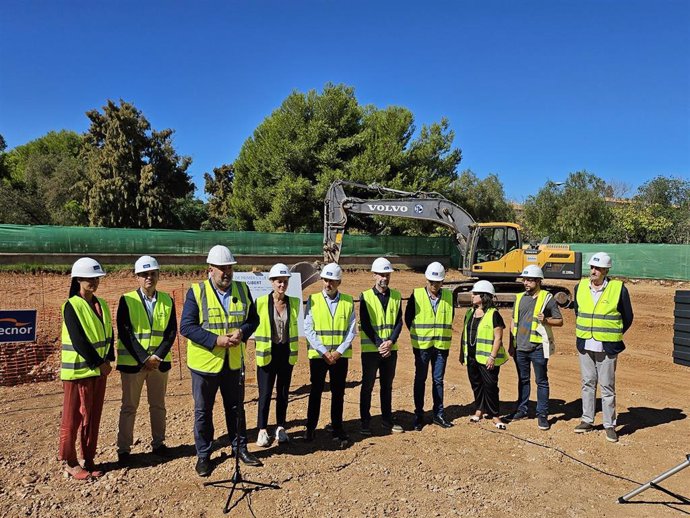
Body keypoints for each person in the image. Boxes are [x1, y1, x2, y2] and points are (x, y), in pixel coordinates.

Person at [180, 245, 261, 477]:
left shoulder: (243, 289)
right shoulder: (196, 292)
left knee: (236, 409)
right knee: (203, 411)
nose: (227, 272)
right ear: (210, 269)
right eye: (222, 268)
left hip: (233, 363)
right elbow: (186, 326)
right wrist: (216, 340)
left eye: (230, 268)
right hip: (204, 365)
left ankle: (240, 448)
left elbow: (253, 320)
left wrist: (242, 333)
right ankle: (204, 455)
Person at [116, 256, 177, 465]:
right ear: (137, 277)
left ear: (158, 275)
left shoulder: (167, 300)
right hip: (134, 364)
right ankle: (124, 450)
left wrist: (157, 356)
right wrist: (144, 358)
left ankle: (159, 444)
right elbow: (125, 333)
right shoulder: (127, 300)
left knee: (158, 405)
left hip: (159, 364)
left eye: (152, 273)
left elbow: (171, 332)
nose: (148, 277)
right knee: (129, 406)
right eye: (144, 274)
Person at [58, 257, 114, 480]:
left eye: (96, 278)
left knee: (92, 418)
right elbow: (79, 340)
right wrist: (99, 363)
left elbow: (109, 333)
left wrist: (109, 359)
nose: (94, 282)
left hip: (98, 372)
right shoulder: (71, 306)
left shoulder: (101, 305)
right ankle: (70, 462)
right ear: (78, 279)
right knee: (72, 420)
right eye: (89, 278)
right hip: (77, 373)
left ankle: (89, 459)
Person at [573, 252, 633, 443]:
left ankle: (609, 425)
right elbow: (578, 312)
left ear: (606, 270)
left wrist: (612, 334)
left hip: (607, 345)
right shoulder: (580, 287)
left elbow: (627, 317)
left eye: (597, 268)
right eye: (592, 267)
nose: (593, 271)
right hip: (585, 343)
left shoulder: (618, 289)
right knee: (587, 383)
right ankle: (587, 420)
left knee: (607, 387)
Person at [304, 262, 356, 446]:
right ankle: (310, 428)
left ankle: (337, 427)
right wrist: (325, 352)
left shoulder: (348, 301)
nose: (328, 284)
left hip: (339, 358)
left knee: (338, 393)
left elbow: (352, 330)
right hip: (319, 356)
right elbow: (308, 328)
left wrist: (339, 352)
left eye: (332, 280)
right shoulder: (313, 300)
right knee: (316, 392)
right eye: (325, 280)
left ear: (339, 282)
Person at [507, 265, 563, 431]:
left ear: (539, 281)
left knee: (541, 382)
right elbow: (513, 322)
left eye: (530, 280)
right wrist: (511, 344)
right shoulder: (519, 298)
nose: (526, 283)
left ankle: (542, 415)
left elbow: (559, 321)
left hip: (538, 348)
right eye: (524, 279)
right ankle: (522, 410)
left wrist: (546, 320)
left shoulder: (547, 299)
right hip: (520, 348)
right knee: (523, 380)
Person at [405, 262, 455, 431]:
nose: (435, 285)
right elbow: (408, 318)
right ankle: (419, 415)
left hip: (441, 345)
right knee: (420, 379)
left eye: (438, 282)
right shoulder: (417, 295)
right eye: (432, 282)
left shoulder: (448, 296)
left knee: (438, 380)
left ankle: (438, 414)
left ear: (443, 282)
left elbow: (451, 317)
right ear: (426, 280)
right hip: (422, 346)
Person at [254, 263, 300, 448]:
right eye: (279, 281)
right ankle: (262, 429)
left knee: (283, 393)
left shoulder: (294, 303)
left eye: (285, 281)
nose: (282, 285)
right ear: (272, 282)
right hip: (267, 352)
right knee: (265, 393)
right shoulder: (260, 303)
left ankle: (281, 427)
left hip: (286, 353)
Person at [359, 257, 404, 435]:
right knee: (367, 386)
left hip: (390, 350)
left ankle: (386, 420)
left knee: (387, 386)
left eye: (387, 275)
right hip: (372, 350)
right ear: (373, 275)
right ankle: (365, 422)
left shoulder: (396, 296)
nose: (384, 278)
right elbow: (366, 323)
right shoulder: (366, 297)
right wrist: (380, 344)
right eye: (380, 274)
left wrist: (390, 342)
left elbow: (399, 322)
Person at [459, 280, 508, 429]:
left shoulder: (494, 314)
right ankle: (479, 409)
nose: (472, 295)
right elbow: (465, 335)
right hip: (472, 357)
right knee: (476, 385)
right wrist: (463, 354)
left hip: (488, 359)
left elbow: (498, 337)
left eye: (475, 293)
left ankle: (495, 415)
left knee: (490, 386)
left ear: (484, 296)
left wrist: (492, 356)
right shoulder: (470, 312)